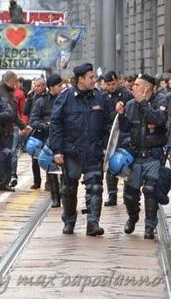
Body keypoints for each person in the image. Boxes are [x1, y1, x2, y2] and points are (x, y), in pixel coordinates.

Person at [49, 63, 110, 236]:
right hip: (71, 152)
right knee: (68, 189)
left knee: (96, 188)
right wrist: (57, 150)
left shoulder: (99, 97)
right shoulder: (65, 97)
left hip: (93, 151)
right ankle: (69, 221)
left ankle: (93, 223)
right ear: (80, 79)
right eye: (91, 77)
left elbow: (107, 124)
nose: (94, 80)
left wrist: (105, 145)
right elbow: (56, 124)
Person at [116, 74, 168, 239]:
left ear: (145, 88)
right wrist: (122, 114)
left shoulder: (161, 102)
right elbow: (125, 128)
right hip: (135, 155)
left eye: (136, 85)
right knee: (130, 194)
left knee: (150, 190)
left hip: (153, 154)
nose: (133, 87)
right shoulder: (131, 104)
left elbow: (159, 120)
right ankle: (133, 217)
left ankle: (149, 226)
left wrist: (143, 103)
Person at [30, 74, 63, 207]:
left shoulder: (66, 98)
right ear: (51, 87)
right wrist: (45, 125)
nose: (61, 88)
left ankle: (64, 192)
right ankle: (55, 197)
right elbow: (33, 120)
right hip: (47, 139)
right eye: (59, 86)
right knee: (51, 168)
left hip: (64, 137)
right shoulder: (41, 101)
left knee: (66, 168)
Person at [101, 71, 133, 206]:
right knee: (110, 165)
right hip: (110, 134)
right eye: (109, 84)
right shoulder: (103, 97)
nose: (111, 87)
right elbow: (103, 117)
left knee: (125, 164)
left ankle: (128, 194)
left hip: (125, 134)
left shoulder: (126, 94)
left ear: (118, 81)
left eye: (113, 84)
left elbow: (131, 113)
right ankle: (112, 195)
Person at [24, 77, 47, 190]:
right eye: (35, 86)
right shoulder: (32, 98)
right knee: (35, 158)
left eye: (39, 86)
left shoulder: (47, 98)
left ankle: (50, 181)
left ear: (44, 86)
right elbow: (25, 111)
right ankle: (37, 181)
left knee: (48, 156)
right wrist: (28, 98)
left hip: (46, 130)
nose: (37, 88)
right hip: (35, 131)